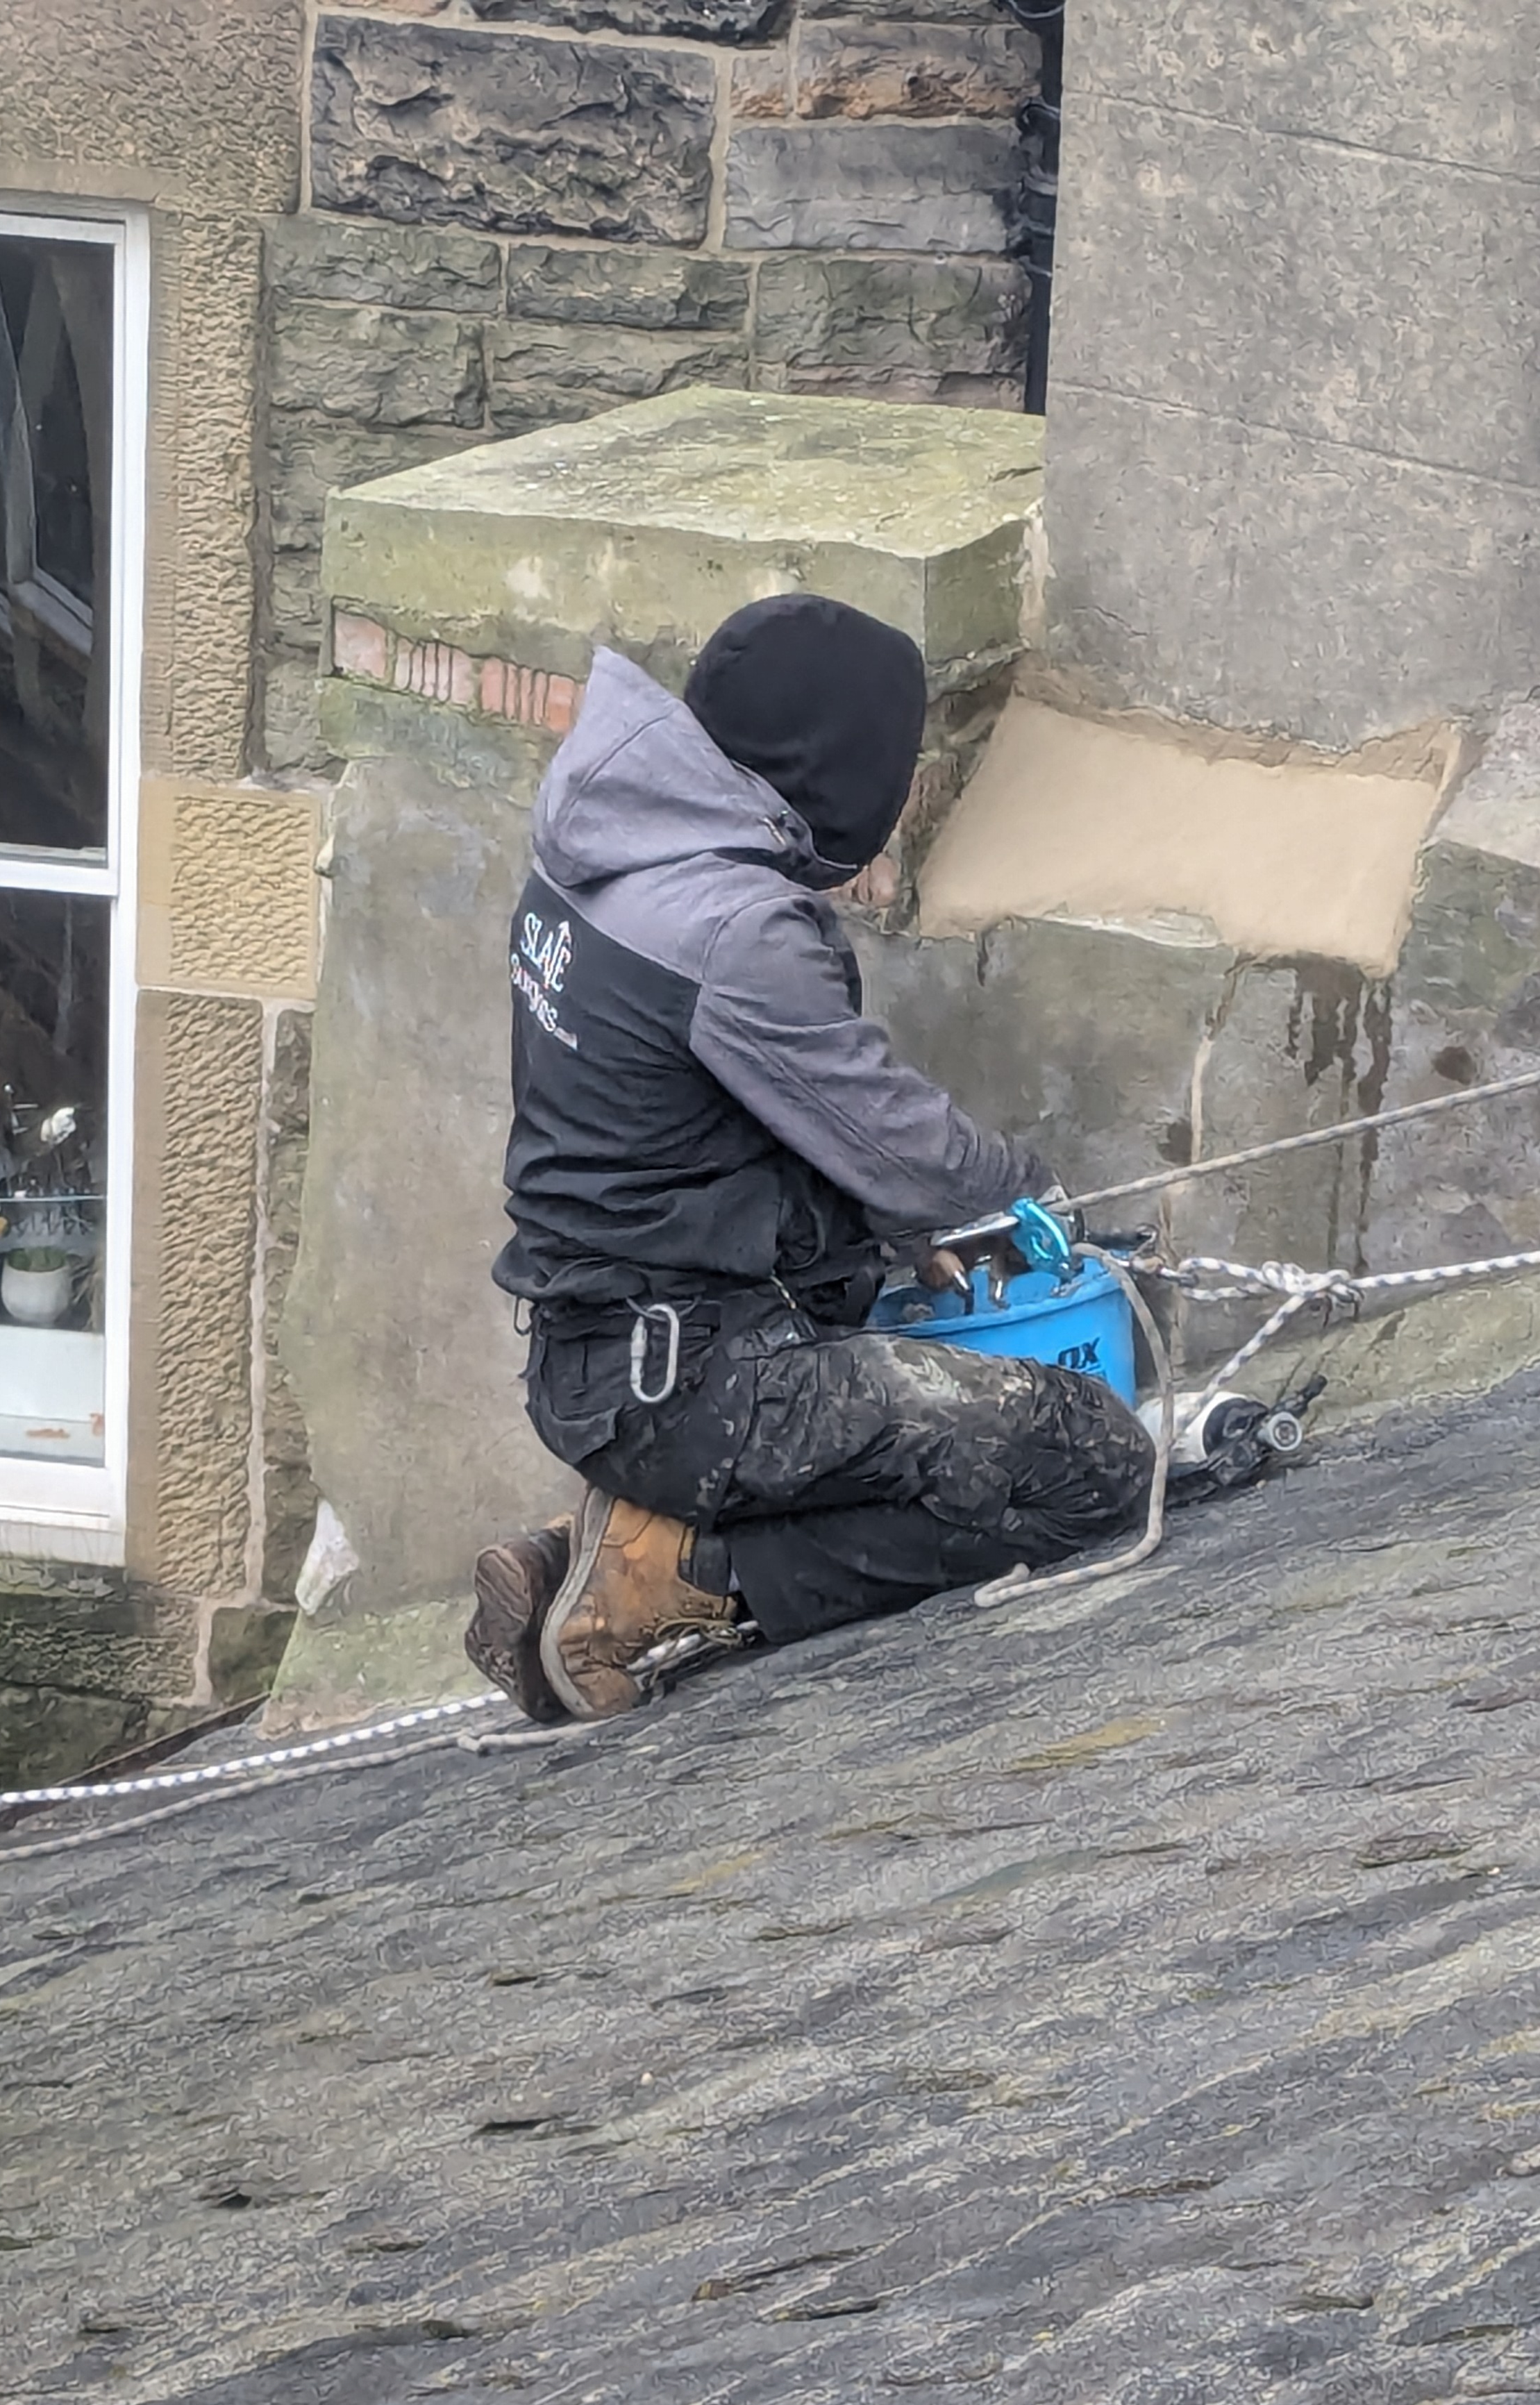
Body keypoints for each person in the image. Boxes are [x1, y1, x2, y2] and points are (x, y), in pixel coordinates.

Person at [466, 592, 1154, 1724]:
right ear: (839, 771)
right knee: (1085, 1458)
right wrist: (1030, 1200)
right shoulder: (732, 928)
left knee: (928, 1411)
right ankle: (691, 1578)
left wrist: (888, 1238)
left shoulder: (603, 848)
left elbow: (716, 1131)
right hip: (700, 1385)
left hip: (606, 1360)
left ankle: (598, 1550)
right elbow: (899, 1144)